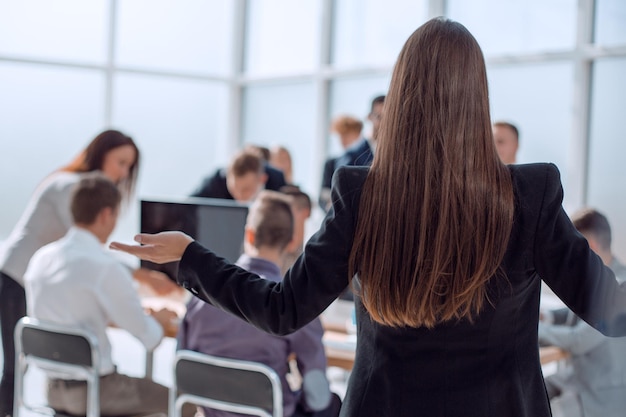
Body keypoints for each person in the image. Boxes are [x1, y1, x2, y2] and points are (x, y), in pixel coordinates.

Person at [111, 18, 626, 417]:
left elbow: (283, 308)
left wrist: (189, 257)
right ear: (477, 99)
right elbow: (611, 312)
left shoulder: (362, 194)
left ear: (401, 97)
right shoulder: (529, 195)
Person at [0, 129, 177, 416]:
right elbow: (89, 251)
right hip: (14, 275)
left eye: (128, 167)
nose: (123, 174)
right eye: (120, 163)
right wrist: (142, 278)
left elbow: (85, 254)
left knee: (22, 359)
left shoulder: (50, 252)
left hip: (54, 379)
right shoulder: (75, 187)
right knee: (12, 368)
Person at [23, 174, 187, 416]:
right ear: (106, 215)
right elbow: (150, 338)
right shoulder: (106, 268)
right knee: (186, 403)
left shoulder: (41, 259)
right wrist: (160, 321)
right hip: (97, 391)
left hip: (50, 389)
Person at [178, 190, 340, 417]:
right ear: (293, 242)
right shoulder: (296, 304)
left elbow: (183, 361)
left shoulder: (199, 295)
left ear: (249, 235)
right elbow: (317, 394)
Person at [539, 208, 626, 417]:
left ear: (590, 247)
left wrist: (532, 328)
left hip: (600, 395)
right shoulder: (603, 277)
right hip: (578, 376)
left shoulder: (620, 289)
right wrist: (548, 316)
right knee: (527, 391)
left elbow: (579, 339)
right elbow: (579, 311)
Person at [191, 148, 286, 202]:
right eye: (233, 188)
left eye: (246, 189)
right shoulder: (215, 182)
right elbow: (187, 206)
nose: (239, 196)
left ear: (262, 179)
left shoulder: (277, 182)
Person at [319, 115, 372, 212]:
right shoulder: (332, 163)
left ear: (357, 133)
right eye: (340, 135)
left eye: (346, 134)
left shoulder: (370, 158)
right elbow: (323, 196)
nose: (342, 140)